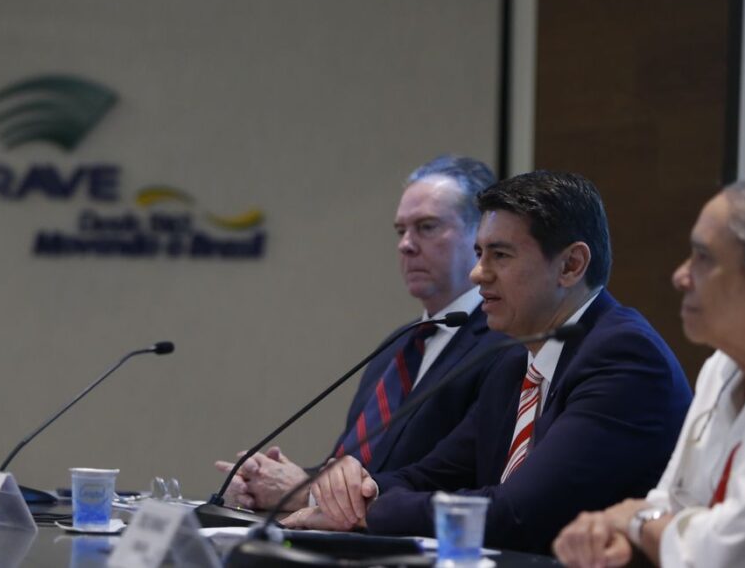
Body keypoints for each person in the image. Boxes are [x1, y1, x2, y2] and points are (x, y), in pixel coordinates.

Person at [284, 171, 693, 555]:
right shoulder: (515, 360)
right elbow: (429, 474)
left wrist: (369, 513)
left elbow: (517, 514)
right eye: (480, 253)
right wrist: (357, 491)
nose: (478, 273)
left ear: (570, 265)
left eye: (500, 255)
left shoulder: (624, 356)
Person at [213, 156, 518, 511]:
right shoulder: (399, 345)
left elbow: (447, 479)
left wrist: (303, 491)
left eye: (426, 227)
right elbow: (361, 468)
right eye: (400, 231)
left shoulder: (505, 343)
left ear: (479, 236)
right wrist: (266, 485)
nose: (406, 244)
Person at [553, 176, 745, 568]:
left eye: (703, 258)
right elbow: (669, 503)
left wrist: (635, 522)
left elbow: (732, 552)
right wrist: (626, 540)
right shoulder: (722, 366)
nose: (680, 276)